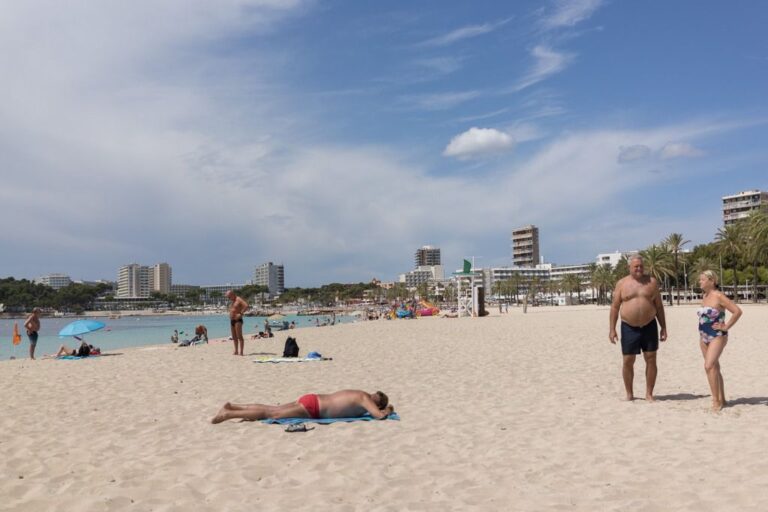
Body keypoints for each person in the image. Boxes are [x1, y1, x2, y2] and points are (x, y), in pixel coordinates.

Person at [609, 255, 667, 401]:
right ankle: (629, 393)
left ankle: (649, 393)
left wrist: (663, 327)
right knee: (628, 360)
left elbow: (659, 306)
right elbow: (615, 307)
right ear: (629, 267)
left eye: (641, 266)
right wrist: (612, 329)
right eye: (636, 266)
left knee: (651, 359)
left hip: (649, 325)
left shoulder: (652, 282)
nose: (639, 269)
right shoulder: (622, 284)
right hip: (629, 326)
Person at [697, 270, 742, 411]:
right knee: (714, 367)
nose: (700, 282)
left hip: (717, 335)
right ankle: (722, 399)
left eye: (703, 279)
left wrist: (726, 326)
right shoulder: (704, 296)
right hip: (703, 336)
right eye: (700, 280)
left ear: (712, 281)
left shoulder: (719, 296)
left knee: (708, 366)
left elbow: (737, 311)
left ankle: (716, 402)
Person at [212, 389, 394, 424]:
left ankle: (233, 406)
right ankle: (227, 414)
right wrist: (388, 410)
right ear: (377, 401)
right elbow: (379, 416)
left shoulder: (359, 392)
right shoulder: (365, 399)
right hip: (314, 408)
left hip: (313, 398)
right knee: (272, 413)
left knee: (272, 407)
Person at [226, 290, 249, 356]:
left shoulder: (238, 299)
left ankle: (241, 352)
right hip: (232, 320)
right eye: (228, 297)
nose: (228, 298)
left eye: (229, 297)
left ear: (232, 294)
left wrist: (240, 314)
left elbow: (246, 305)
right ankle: (236, 351)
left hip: (238, 320)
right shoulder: (232, 301)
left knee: (239, 336)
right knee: (234, 337)